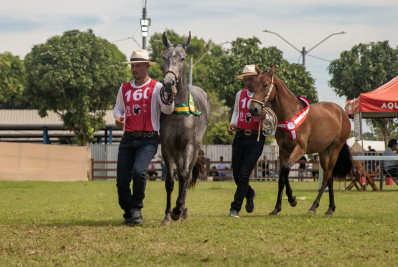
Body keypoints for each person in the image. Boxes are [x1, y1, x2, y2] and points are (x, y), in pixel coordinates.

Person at [114, 49, 175, 226]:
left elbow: (167, 110)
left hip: (148, 139)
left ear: (147, 66)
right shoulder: (124, 87)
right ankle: (128, 212)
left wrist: (170, 97)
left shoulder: (157, 87)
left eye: (138, 65)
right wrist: (118, 118)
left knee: (138, 172)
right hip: (127, 139)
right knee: (121, 180)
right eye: (133, 65)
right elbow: (118, 108)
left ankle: (137, 208)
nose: (135, 69)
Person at [227, 64, 267, 218]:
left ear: (258, 79)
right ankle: (249, 193)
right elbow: (236, 111)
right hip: (239, 136)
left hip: (255, 138)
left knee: (244, 174)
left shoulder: (264, 95)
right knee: (237, 175)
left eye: (250, 79)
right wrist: (232, 123)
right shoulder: (240, 94)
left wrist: (265, 117)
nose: (248, 82)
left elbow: (271, 117)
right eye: (245, 80)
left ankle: (235, 208)